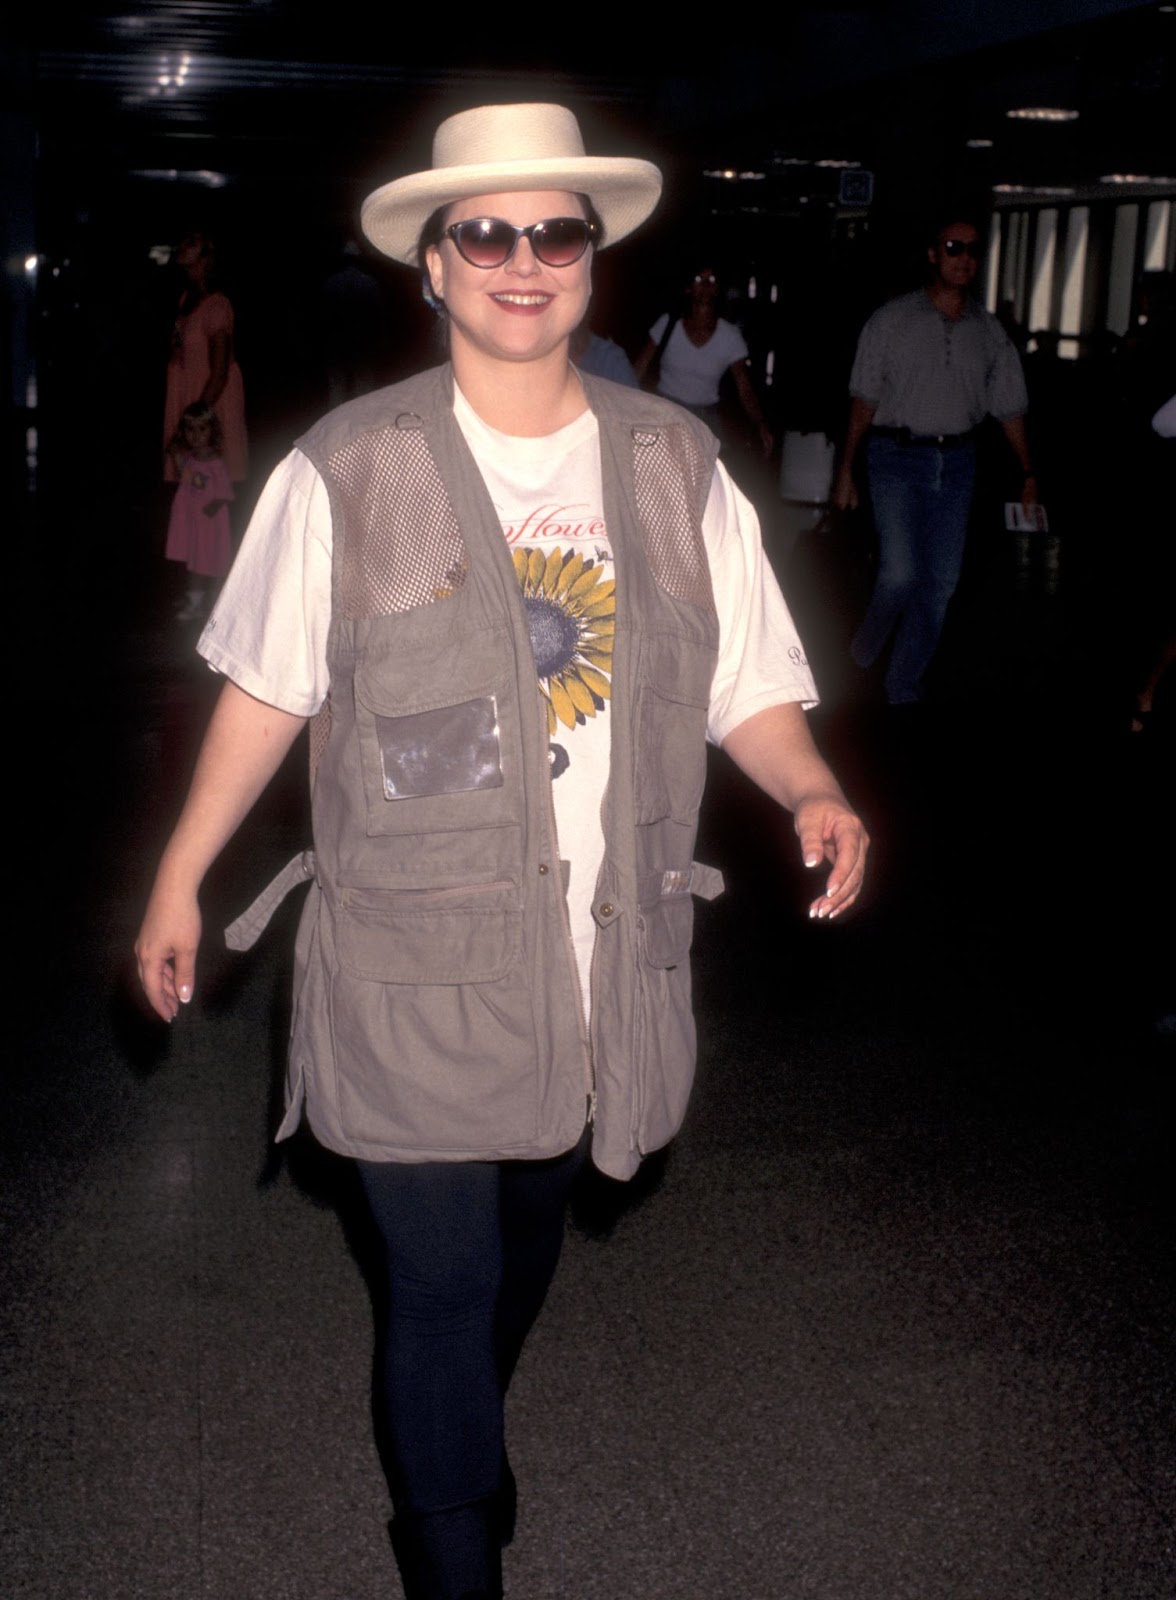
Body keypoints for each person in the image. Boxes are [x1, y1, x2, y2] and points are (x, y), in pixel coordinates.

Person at [135, 102, 868, 1600]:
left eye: (556, 233)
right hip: (412, 952)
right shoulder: (354, 468)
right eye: (488, 233)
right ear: (433, 264)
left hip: (606, 951)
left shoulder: (672, 465)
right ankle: (453, 1546)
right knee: (444, 1280)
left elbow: (751, 681)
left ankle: (461, 1440)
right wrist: (177, 872)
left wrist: (810, 784)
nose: (523, 261)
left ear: (593, 260)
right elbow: (268, 685)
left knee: (524, 1251)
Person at [832, 216, 1036, 705]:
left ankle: (902, 684)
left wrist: (1029, 473)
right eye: (952, 247)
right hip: (895, 458)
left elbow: (1009, 408)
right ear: (932, 254)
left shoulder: (988, 333)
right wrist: (846, 470)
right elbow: (863, 399)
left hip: (958, 463)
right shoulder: (892, 321)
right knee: (899, 575)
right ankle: (859, 656)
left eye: (971, 249)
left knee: (940, 584)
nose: (963, 257)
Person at [635, 264, 773, 457]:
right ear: (688, 288)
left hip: (706, 420)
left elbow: (745, 388)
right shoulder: (668, 324)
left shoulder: (730, 336)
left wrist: (760, 424)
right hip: (665, 414)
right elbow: (639, 367)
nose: (706, 286)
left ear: (717, 290)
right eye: (699, 280)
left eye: (712, 281)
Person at [162, 231, 248, 486]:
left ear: (205, 258)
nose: (182, 247)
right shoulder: (186, 299)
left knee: (210, 484)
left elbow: (220, 372)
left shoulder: (216, 306)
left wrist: (197, 419)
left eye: (192, 244)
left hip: (209, 399)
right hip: (188, 390)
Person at [164, 402, 234, 619]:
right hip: (194, 520)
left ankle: (210, 605)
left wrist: (206, 517)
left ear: (212, 431)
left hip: (209, 523)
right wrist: (179, 461)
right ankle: (196, 601)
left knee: (208, 562)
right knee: (196, 561)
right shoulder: (191, 458)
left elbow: (223, 493)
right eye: (190, 429)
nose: (195, 435)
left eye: (201, 429)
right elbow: (189, 481)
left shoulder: (214, 462)